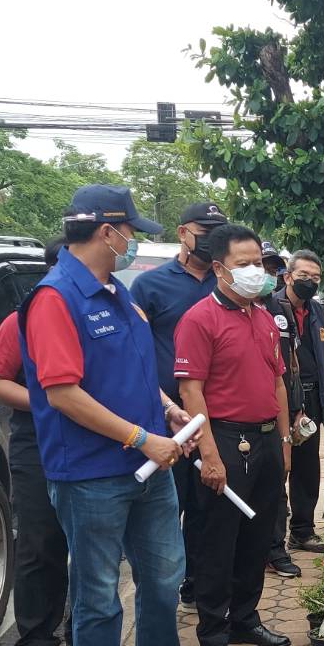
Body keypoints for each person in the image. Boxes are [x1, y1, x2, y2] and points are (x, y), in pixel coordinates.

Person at [21, 184, 213, 646]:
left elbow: (132, 371)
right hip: (92, 475)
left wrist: (166, 409)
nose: (132, 241)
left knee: (163, 576)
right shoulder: (55, 298)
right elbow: (63, 393)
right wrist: (141, 438)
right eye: (129, 231)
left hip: (149, 466)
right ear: (106, 232)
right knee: (99, 595)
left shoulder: (116, 293)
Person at [174, 223, 293, 646]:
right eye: (243, 264)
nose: (255, 271)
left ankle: (245, 619)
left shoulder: (262, 317)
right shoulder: (199, 319)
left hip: (265, 437)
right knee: (217, 541)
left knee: (257, 537)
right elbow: (191, 391)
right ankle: (213, 634)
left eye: (258, 263)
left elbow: (278, 383)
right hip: (224, 437)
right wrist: (209, 454)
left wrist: (284, 441)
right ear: (220, 268)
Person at [128, 201, 229, 604]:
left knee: (209, 507)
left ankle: (197, 587)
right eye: (204, 233)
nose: (211, 241)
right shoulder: (150, 286)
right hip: (166, 418)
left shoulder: (226, 283)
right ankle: (160, 591)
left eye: (218, 233)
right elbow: (135, 354)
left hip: (216, 417)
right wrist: (165, 406)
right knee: (168, 508)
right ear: (183, 233)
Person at [0, 239, 72, 646]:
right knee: (40, 543)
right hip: (38, 443)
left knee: (94, 546)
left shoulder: (102, 315)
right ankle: (36, 643)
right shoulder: (22, 320)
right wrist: (51, 402)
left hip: (97, 443)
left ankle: (83, 634)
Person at [267, 249, 324, 562]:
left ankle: (303, 531)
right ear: (288, 276)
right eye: (304, 275)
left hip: (311, 398)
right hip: (281, 398)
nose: (310, 281)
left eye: (316, 277)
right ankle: (272, 542)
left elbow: (320, 358)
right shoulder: (271, 308)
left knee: (307, 468)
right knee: (279, 466)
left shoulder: (316, 309)